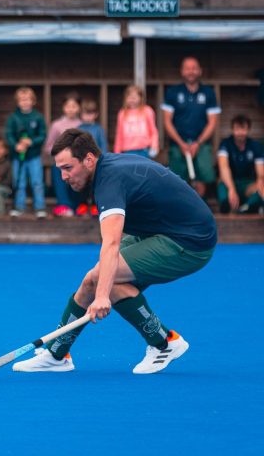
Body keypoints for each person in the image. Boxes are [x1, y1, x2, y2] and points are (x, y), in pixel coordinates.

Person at [13, 129, 216, 375]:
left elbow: (110, 243)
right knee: (94, 280)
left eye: (68, 168)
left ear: (89, 160)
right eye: (60, 170)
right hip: (161, 230)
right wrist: (100, 289)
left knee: (103, 280)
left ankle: (165, 344)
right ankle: (57, 354)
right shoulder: (107, 167)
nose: (63, 177)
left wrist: (102, 297)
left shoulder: (108, 183)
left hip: (190, 241)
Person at [162, 57, 221, 197]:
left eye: (194, 68)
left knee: (202, 179)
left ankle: (199, 205)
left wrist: (198, 143)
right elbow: (167, 121)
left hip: (201, 143)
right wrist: (181, 143)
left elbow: (212, 122)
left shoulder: (208, 93)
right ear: (182, 71)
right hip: (178, 144)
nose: (191, 71)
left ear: (200, 71)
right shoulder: (172, 92)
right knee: (177, 180)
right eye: (187, 68)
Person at [5, 87, 47, 219]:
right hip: (18, 157)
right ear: (18, 102)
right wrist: (16, 145)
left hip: (34, 156)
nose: (25, 102)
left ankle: (40, 207)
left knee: (37, 182)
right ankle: (19, 207)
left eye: (27, 99)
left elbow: (42, 135)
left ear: (33, 101)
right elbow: (9, 135)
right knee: (19, 182)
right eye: (22, 100)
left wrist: (31, 142)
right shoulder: (13, 118)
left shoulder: (38, 117)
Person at [217, 114, 264, 214]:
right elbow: (223, 167)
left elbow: (260, 173)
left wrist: (260, 183)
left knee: (260, 186)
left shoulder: (255, 145)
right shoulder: (225, 143)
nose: (240, 133)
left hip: (247, 183)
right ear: (232, 129)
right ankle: (228, 206)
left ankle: (246, 207)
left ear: (248, 130)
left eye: (243, 129)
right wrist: (231, 189)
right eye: (237, 129)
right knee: (222, 185)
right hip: (230, 181)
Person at [45, 92, 82, 217]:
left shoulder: (82, 125)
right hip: (61, 162)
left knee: (77, 180)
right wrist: (60, 152)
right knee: (59, 175)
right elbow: (48, 146)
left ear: (79, 108)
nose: (71, 109)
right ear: (63, 107)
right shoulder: (57, 125)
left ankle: (76, 206)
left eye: (74, 106)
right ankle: (64, 206)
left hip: (76, 162)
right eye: (68, 106)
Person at [76, 99, 108, 216]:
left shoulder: (98, 129)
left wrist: (101, 158)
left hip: (95, 162)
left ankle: (95, 205)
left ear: (95, 114)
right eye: (85, 114)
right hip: (82, 162)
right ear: (81, 114)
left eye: (90, 114)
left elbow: (103, 145)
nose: (88, 117)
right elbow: (75, 144)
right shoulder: (78, 128)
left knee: (95, 184)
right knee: (82, 183)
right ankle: (83, 204)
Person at [113, 85, 159, 158]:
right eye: (129, 97)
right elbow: (119, 134)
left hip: (144, 149)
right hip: (127, 150)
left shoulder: (147, 111)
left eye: (134, 97)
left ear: (140, 98)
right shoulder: (122, 113)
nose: (132, 100)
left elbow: (153, 131)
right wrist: (117, 152)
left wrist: (154, 146)